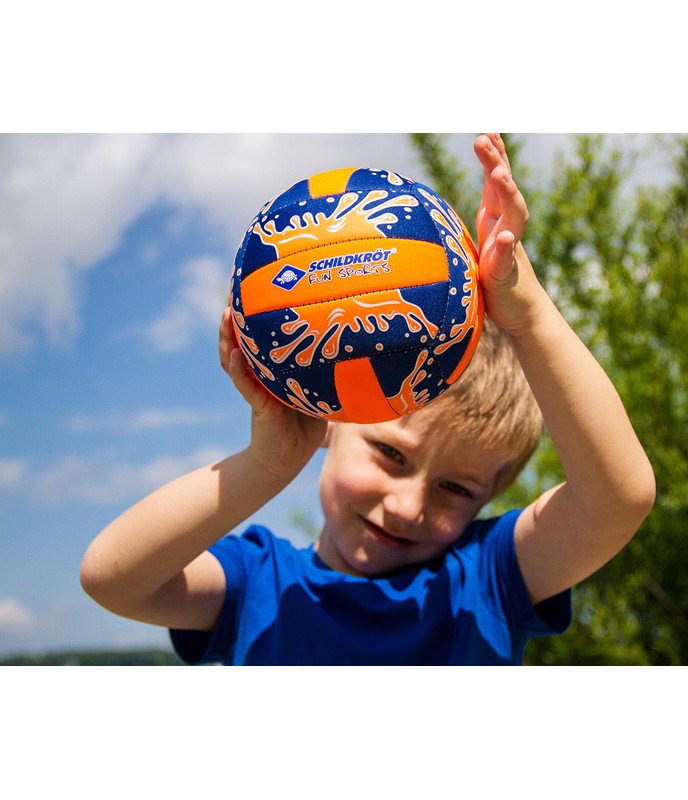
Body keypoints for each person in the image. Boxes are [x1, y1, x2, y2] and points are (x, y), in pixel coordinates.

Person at [80, 134, 656, 665]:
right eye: (391, 454)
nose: (407, 506)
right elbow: (112, 578)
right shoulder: (258, 584)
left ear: (490, 495)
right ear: (332, 418)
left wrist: (527, 314)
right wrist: (267, 465)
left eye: (456, 489)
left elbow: (617, 499)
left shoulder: (488, 580)